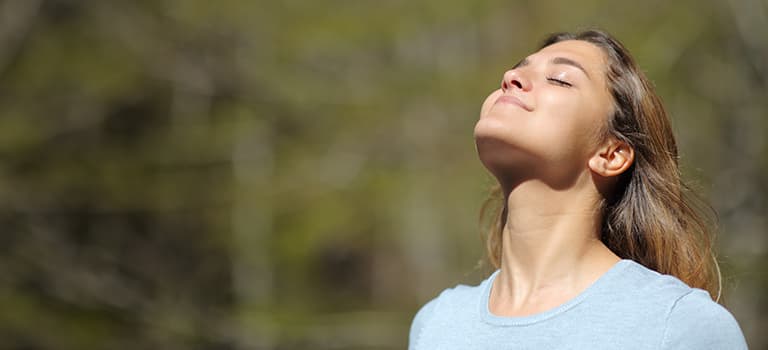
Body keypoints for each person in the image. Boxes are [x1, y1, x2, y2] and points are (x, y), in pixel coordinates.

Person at [408, 30, 748, 349]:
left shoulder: (681, 325)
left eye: (559, 79)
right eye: (514, 72)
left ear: (611, 154)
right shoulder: (437, 322)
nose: (510, 79)